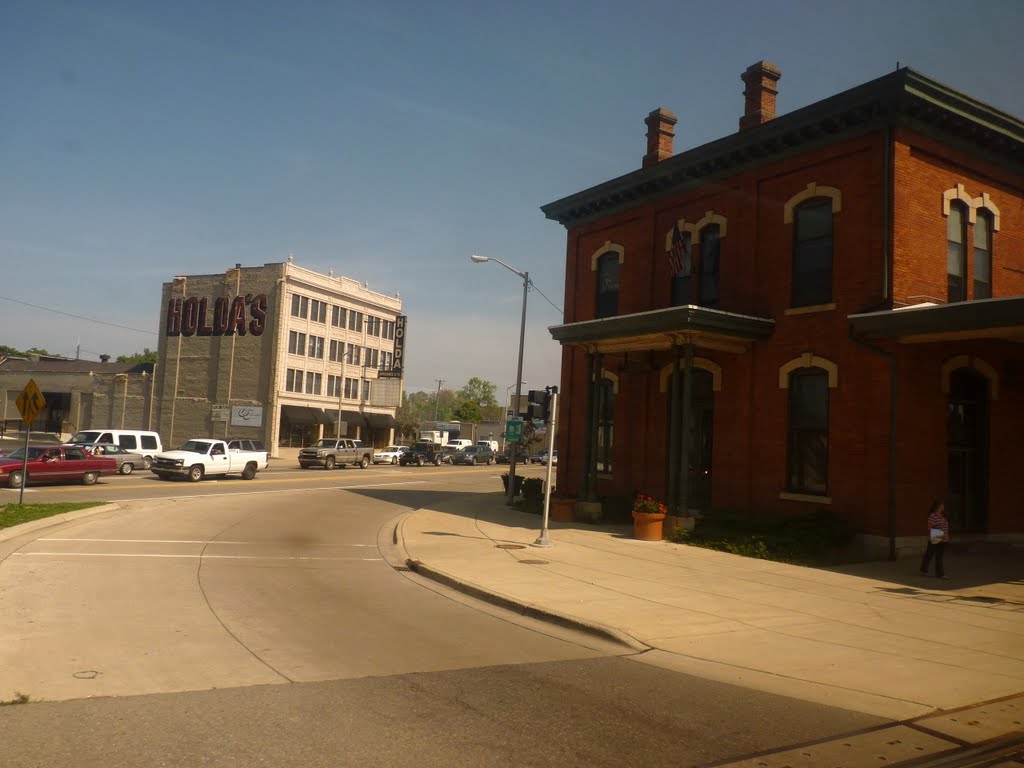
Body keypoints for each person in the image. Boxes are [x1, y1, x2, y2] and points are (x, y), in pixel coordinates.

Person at [920, 500, 949, 579]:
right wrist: (940, 536)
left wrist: (946, 536)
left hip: (943, 539)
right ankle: (924, 569)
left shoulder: (943, 515)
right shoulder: (933, 516)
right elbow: (929, 527)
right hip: (935, 537)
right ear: (938, 506)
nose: (943, 506)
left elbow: (945, 527)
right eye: (942, 505)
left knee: (939, 556)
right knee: (929, 554)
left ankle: (940, 574)